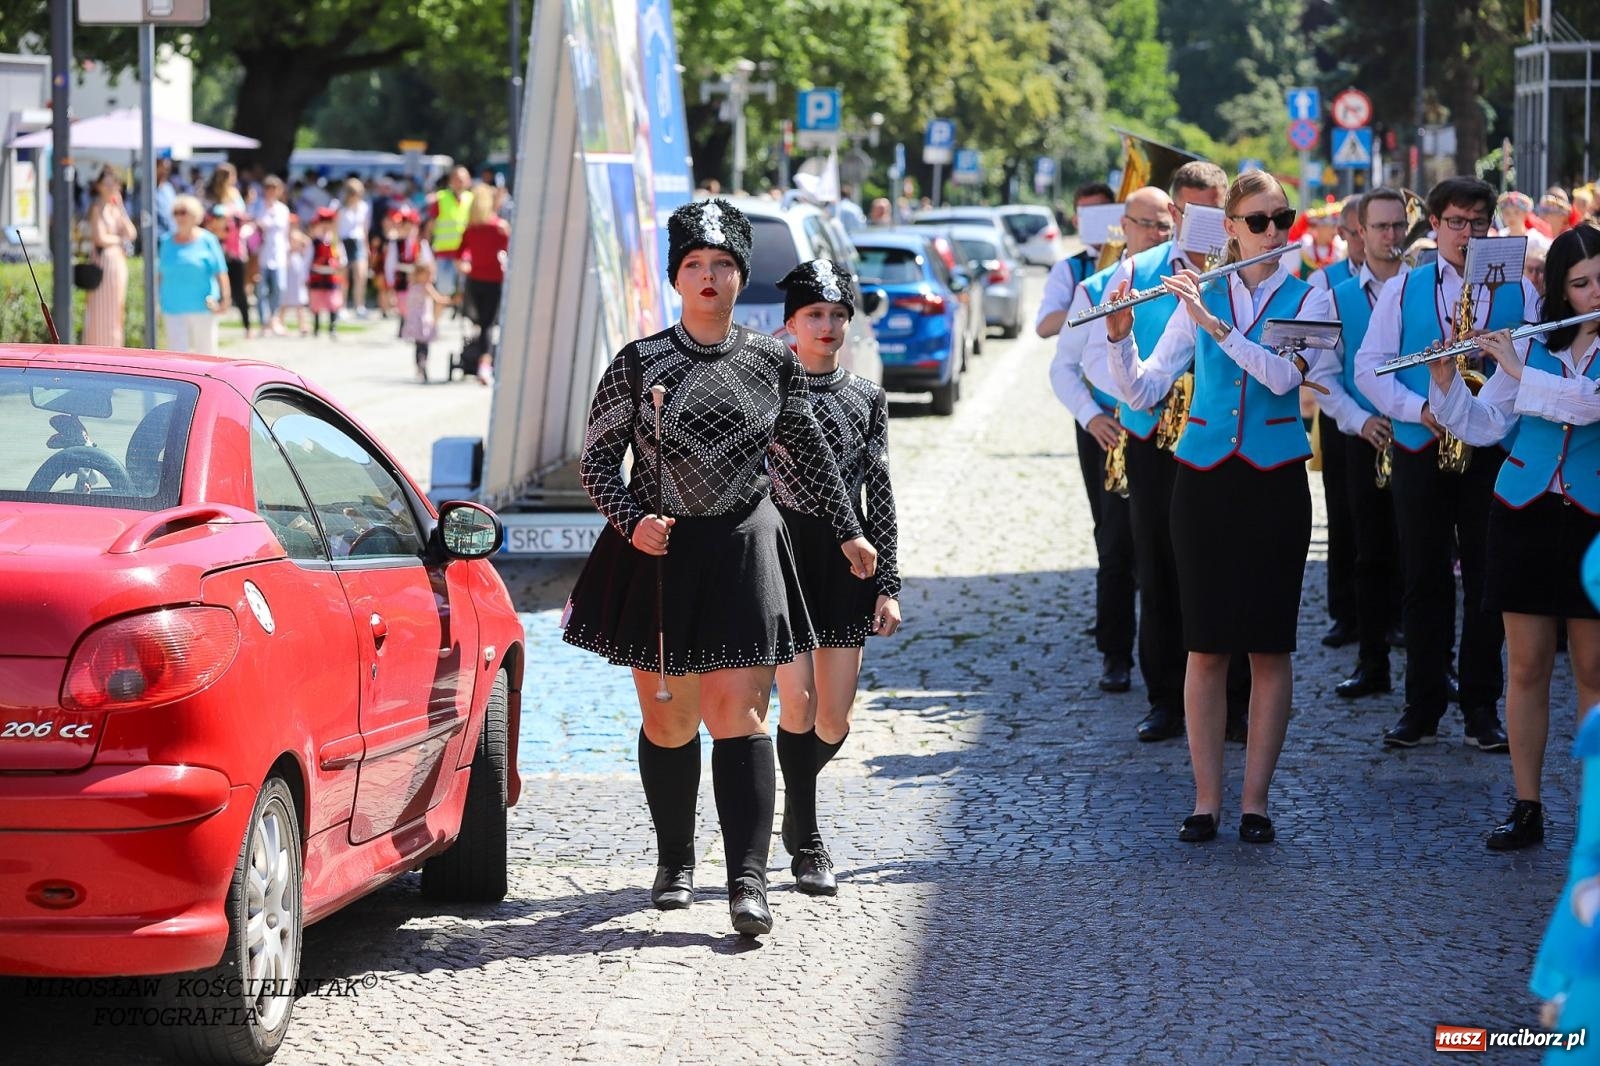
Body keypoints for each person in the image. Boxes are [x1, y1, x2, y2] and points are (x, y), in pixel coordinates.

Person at [560, 199, 877, 937]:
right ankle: (675, 861)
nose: (710, 278)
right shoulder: (637, 361)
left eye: (724, 266)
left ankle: (747, 883)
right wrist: (633, 520)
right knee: (669, 722)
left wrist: (850, 532)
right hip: (659, 556)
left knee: (738, 714)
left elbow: (813, 458)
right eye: (697, 266)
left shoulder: (772, 362)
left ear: (742, 277)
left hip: (743, 549)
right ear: (677, 278)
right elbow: (598, 460)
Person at [1101, 169, 1335, 844]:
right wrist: (1120, 337)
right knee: (1203, 648)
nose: (1271, 231)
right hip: (1202, 482)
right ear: (1227, 227)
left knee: (1269, 648)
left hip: (1274, 481)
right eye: (1256, 220)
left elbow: (1286, 376)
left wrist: (1217, 325)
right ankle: (1206, 800)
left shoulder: (1308, 295)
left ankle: (1255, 802)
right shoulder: (1196, 293)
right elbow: (1144, 391)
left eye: (1280, 219)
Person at [1423, 224, 1600, 849]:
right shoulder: (1535, 345)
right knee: (1523, 668)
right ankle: (1527, 806)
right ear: (1557, 289)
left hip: (1591, 517)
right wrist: (1445, 383)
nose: (1594, 292)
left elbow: (1584, 406)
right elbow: (1483, 425)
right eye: (1581, 284)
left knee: (1593, 669)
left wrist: (1516, 368)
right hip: (1523, 512)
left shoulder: (1530, 359)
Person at [1354, 176, 1538, 752]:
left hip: (1490, 451)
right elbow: (1368, 366)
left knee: (1487, 581)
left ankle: (1481, 706)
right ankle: (1423, 704)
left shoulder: (1520, 291)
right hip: (1419, 445)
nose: (1465, 233)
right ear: (1433, 227)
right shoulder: (1404, 287)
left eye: (1477, 223)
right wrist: (1419, 408)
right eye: (1454, 222)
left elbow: (1531, 368)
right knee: (1423, 578)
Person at [1082, 161, 1253, 745]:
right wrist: (1120, 333)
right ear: (1177, 214)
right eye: (1196, 212)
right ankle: (1164, 699)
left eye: (1217, 212)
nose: (1207, 223)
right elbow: (1094, 358)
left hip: (1222, 439)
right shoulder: (1135, 271)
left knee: (1228, 569)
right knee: (1156, 566)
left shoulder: (1243, 274)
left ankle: (1233, 704)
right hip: (1154, 435)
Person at [770, 259, 902, 897]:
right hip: (783, 557)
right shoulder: (767, 391)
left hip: (849, 566)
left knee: (834, 716)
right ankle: (810, 842)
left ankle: (795, 799)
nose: (827, 326)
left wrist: (890, 583)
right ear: (790, 323)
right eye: (814, 315)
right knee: (795, 702)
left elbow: (878, 488)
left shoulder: (865, 397)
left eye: (837, 316)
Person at [1050, 184, 1172, 698]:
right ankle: (1116, 654)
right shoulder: (1096, 286)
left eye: (1167, 225)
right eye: (1149, 224)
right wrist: (1091, 415)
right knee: (1117, 543)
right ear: (1124, 227)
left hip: (1167, 430)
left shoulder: (1178, 284)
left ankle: (1171, 655)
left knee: (1165, 546)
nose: (1159, 234)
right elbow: (1063, 367)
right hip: (1110, 430)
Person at [1326, 188, 1410, 700]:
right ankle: (1371, 662)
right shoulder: (1334, 296)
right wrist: (1359, 420)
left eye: (1398, 226)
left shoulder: (1428, 287)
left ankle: (1431, 665)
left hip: (1421, 433)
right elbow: (1323, 374)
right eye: (1379, 227)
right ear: (1360, 231)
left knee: (1424, 555)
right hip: (1366, 437)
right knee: (1368, 552)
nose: (1390, 236)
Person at [1036, 182, 1117, 339]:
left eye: (1101, 213)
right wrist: (1096, 310)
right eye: (1087, 215)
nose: (1094, 221)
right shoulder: (1067, 268)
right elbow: (1044, 327)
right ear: (1076, 223)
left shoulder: (1136, 259)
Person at [156, 194, 229, 354]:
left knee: (206, 354)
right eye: (176, 212)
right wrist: (155, 301)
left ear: (195, 215)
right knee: (177, 358)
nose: (179, 217)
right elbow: (159, 274)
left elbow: (221, 271)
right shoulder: (166, 242)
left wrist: (225, 299)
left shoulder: (208, 240)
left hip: (202, 307)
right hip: (172, 307)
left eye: (184, 212)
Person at [458, 183, 510, 386]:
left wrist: (465, 264)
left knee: (479, 322)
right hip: (494, 280)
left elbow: (460, 253)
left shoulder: (472, 229)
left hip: (474, 278)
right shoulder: (499, 227)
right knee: (488, 324)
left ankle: (479, 357)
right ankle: (484, 364)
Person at [82, 167, 137, 348]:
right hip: (103, 262)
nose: (111, 186)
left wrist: (121, 207)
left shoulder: (115, 209)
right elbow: (100, 238)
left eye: (113, 183)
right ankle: (97, 348)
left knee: (116, 310)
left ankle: (115, 347)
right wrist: (119, 239)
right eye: (107, 183)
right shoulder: (96, 207)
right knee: (100, 311)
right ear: (99, 186)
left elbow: (132, 232)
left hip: (118, 263)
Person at [206, 163, 255, 338]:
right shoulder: (210, 196)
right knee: (215, 286)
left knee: (239, 288)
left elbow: (242, 218)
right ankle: (214, 323)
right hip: (217, 244)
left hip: (234, 247)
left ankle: (247, 326)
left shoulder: (233, 195)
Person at [425, 166, 473, 303]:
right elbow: (430, 226)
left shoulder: (472, 199)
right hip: (444, 253)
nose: (460, 182)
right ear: (451, 181)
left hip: (464, 254)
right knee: (443, 292)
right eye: (457, 179)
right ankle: (436, 322)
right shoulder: (441, 198)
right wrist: (426, 248)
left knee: (464, 292)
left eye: (463, 179)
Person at [400, 258, 450, 382]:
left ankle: (419, 365)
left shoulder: (412, 286)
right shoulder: (426, 287)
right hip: (423, 320)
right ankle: (423, 363)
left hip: (414, 319)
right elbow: (438, 299)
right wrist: (450, 300)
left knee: (418, 345)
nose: (430, 277)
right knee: (425, 345)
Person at [254, 176, 292, 336]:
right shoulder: (258, 207)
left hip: (279, 253)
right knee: (261, 290)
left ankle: (274, 318)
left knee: (279, 288)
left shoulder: (283, 209)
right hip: (261, 253)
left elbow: (285, 232)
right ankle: (264, 322)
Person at [306, 206, 348, 337]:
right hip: (317, 276)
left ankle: (332, 327)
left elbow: (342, 258)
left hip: (331, 276)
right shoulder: (314, 242)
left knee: (333, 302)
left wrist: (339, 265)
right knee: (316, 302)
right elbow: (307, 260)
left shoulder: (335, 242)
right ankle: (317, 327)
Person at [336, 178, 372, 319]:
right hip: (343, 241)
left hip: (358, 242)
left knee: (360, 275)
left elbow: (364, 228)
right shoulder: (340, 207)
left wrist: (366, 245)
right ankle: (341, 306)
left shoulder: (364, 207)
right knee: (343, 277)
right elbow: (335, 228)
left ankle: (359, 306)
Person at [281, 215, 312, 336]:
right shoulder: (284, 236)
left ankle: (302, 324)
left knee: (299, 301)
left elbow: (308, 244)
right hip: (288, 269)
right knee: (285, 301)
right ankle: (280, 322)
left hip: (296, 268)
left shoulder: (297, 236)